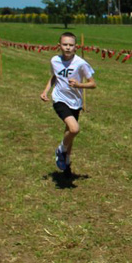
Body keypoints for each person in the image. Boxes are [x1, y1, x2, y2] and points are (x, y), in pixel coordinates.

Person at [39, 32, 96, 173]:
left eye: (71, 45)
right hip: (59, 99)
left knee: (69, 132)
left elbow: (93, 84)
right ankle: (61, 150)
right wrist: (45, 91)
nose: (68, 48)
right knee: (74, 129)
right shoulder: (54, 61)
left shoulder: (81, 63)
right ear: (59, 46)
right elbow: (54, 77)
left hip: (75, 102)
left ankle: (67, 164)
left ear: (76, 47)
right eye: (65, 45)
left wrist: (78, 85)